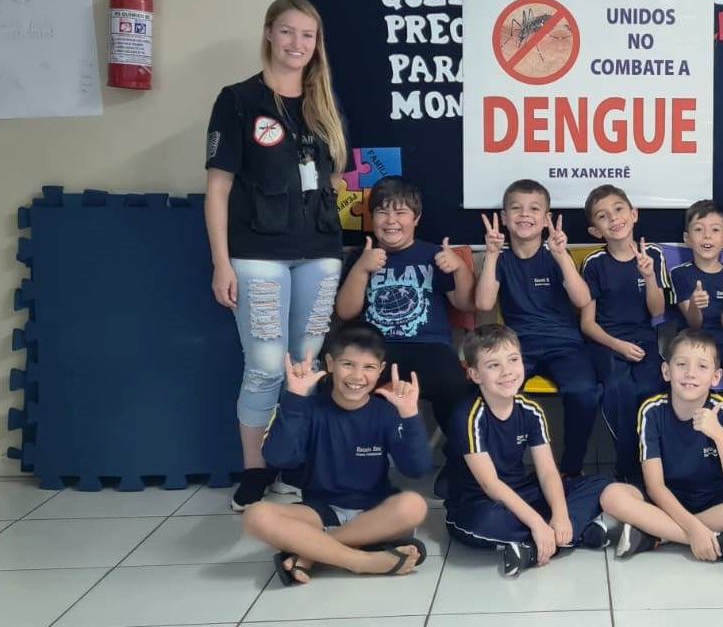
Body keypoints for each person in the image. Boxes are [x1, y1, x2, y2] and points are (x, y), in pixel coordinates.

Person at [205, 0, 356, 511]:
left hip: (319, 250)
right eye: (288, 32)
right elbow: (219, 188)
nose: (297, 44)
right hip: (256, 254)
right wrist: (221, 262)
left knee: (307, 366)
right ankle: (254, 471)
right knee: (267, 366)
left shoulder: (324, 103)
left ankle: (292, 465)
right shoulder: (238, 100)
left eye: (308, 36)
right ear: (269, 33)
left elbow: (337, 177)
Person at [242, 322, 432, 586]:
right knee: (256, 515)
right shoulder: (306, 409)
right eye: (347, 364)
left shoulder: (386, 412)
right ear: (330, 363)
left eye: (368, 367)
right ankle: (363, 561)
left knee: (414, 505)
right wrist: (295, 397)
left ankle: (312, 553)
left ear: (380, 371)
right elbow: (279, 458)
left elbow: (416, 468)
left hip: (373, 511)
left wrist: (410, 415)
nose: (357, 376)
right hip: (320, 512)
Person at [443, 325, 613, 577]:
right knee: (483, 522)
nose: (507, 372)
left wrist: (560, 513)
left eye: (513, 360)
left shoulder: (530, 409)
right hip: (479, 502)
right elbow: (490, 485)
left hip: (520, 491)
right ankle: (569, 535)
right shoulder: (467, 416)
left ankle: (538, 542)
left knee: (602, 484)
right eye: (493, 365)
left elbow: (546, 471)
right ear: (475, 374)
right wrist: (536, 523)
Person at [605, 329, 723, 567]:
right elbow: (655, 487)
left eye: (702, 367)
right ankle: (718, 539)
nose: (690, 374)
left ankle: (657, 534)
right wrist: (694, 530)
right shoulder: (651, 411)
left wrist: (718, 435)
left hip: (714, 501)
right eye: (681, 364)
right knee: (612, 496)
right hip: (667, 500)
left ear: (716, 377)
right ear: (666, 371)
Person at [474, 179, 599, 476]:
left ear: (546, 219)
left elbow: (582, 299)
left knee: (585, 391)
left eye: (534, 209)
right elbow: (483, 303)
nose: (524, 215)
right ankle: (502, 468)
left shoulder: (557, 255)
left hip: (565, 345)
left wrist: (560, 255)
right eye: (516, 209)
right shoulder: (500, 259)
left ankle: (571, 469)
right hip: (517, 347)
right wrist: (490, 254)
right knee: (492, 387)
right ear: (504, 218)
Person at [334, 176, 476, 436]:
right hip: (376, 350)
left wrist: (459, 268)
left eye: (400, 213)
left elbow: (466, 304)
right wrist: (362, 268)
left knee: (455, 387)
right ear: (372, 218)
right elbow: (345, 312)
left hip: (431, 347)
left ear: (416, 218)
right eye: (382, 212)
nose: (391, 221)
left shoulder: (434, 255)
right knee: (345, 385)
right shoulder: (360, 256)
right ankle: (358, 462)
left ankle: (462, 460)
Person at [579, 184, 669, 484]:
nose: (614, 219)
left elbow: (657, 311)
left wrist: (649, 276)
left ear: (633, 214)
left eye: (619, 210)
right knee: (619, 390)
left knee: (651, 389)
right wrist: (617, 345)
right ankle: (629, 470)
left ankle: (654, 464)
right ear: (596, 230)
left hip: (643, 340)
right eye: (603, 216)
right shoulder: (594, 264)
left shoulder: (652, 254)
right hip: (605, 342)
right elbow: (587, 324)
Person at [669, 200, 723, 380]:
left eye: (715, 230)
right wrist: (695, 305)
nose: (707, 236)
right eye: (698, 229)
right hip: (695, 346)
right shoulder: (679, 274)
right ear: (687, 238)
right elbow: (694, 325)